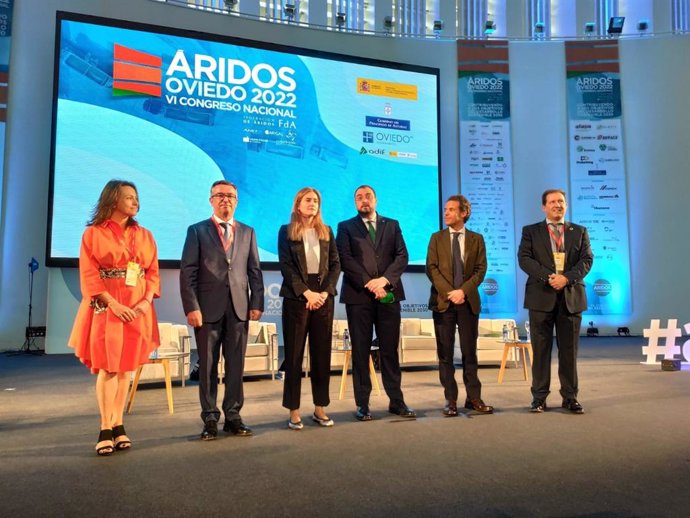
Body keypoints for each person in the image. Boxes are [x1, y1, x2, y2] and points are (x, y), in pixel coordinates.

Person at [68, 180, 160, 456]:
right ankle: (105, 427)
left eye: (136, 198)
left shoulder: (145, 235)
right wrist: (112, 304)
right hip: (106, 307)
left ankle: (119, 424)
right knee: (108, 367)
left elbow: (152, 273)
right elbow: (88, 274)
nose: (135, 202)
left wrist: (145, 302)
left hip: (137, 308)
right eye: (129, 197)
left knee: (125, 369)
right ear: (113, 200)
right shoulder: (93, 234)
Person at [180, 180, 264, 440]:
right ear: (211, 200)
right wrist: (192, 307)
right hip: (207, 311)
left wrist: (257, 302)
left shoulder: (248, 232)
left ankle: (234, 415)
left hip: (239, 309)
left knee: (236, 365)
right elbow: (188, 274)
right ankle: (210, 418)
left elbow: (254, 270)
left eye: (230, 196)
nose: (225, 199)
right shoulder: (197, 231)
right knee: (207, 366)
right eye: (220, 196)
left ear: (236, 201)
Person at [335, 185, 415, 421]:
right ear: (355, 203)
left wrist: (384, 281)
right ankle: (363, 404)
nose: (363, 201)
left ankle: (396, 402)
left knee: (389, 351)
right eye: (358, 198)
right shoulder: (345, 227)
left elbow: (402, 256)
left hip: (389, 296)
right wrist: (370, 283)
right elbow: (345, 259)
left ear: (376, 200)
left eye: (367, 196)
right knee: (361, 351)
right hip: (359, 297)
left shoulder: (392, 224)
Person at [517, 189, 593, 414]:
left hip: (570, 298)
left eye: (561, 201)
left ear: (566, 205)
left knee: (569, 352)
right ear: (544, 207)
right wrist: (549, 277)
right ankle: (539, 398)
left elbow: (587, 260)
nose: (557, 205)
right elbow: (524, 259)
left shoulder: (579, 231)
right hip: (541, 297)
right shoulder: (531, 231)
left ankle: (570, 397)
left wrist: (566, 278)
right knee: (540, 351)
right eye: (552, 202)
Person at [278, 187, 341, 430]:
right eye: (308, 200)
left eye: (315, 201)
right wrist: (307, 293)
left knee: (321, 355)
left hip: (323, 298)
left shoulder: (327, 232)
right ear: (298, 204)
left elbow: (335, 264)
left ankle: (320, 408)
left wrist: (323, 293)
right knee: (294, 356)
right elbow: (286, 266)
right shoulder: (287, 231)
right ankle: (294, 410)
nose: (312, 204)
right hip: (298, 298)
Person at [426, 195, 494, 417]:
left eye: (451, 209)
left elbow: (480, 270)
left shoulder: (476, 239)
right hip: (443, 303)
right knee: (445, 354)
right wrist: (450, 293)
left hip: (467, 303)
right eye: (445, 209)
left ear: (464, 213)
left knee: (469, 353)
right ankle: (450, 400)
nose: (446, 213)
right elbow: (432, 269)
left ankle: (473, 398)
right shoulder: (436, 238)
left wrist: (462, 291)